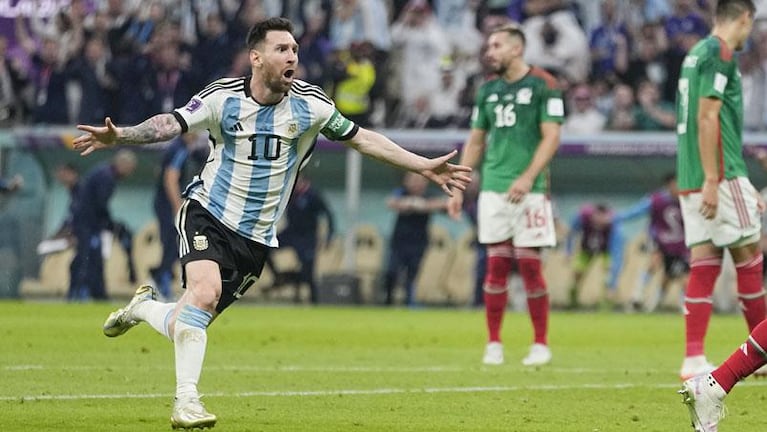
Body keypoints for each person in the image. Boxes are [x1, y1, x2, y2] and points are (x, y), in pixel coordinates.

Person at [72, 17, 471, 430]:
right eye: (282, 49)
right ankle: (186, 403)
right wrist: (121, 136)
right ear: (256, 57)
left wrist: (423, 165)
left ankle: (143, 308)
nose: (292, 56)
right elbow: (169, 124)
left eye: (295, 50)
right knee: (203, 296)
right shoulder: (222, 98)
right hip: (207, 212)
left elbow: (364, 139)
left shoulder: (312, 105)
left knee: (187, 320)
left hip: (257, 237)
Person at [446, 23, 564, 367]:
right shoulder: (487, 90)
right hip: (494, 189)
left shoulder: (545, 84)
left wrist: (528, 177)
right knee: (496, 265)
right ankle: (493, 343)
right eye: (489, 46)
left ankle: (540, 344)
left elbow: (552, 136)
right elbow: (476, 140)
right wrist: (459, 186)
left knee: (529, 264)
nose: (489, 52)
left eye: (496, 46)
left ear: (517, 49)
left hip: (531, 191)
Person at [673, 0, 766, 385]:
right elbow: (707, 116)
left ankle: (694, 356)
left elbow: (707, 119)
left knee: (705, 260)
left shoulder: (695, 54)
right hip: (719, 175)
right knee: (749, 257)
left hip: (692, 174)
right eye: (751, 24)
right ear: (744, 17)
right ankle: (760, 356)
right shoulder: (721, 53)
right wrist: (719, 179)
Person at [69, 150, 137, 301]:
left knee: (90, 258)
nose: (130, 173)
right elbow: (100, 205)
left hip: (87, 223)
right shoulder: (107, 177)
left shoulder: (103, 172)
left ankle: (92, 295)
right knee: (88, 259)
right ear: (123, 164)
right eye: (130, 168)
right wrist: (110, 224)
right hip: (87, 224)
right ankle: (83, 294)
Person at [622, 173, 689, 313]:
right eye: (676, 183)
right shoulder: (656, 200)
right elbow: (636, 211)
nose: (678, 187)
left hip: (679, 245)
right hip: (659, 240)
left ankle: (656, 304)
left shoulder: (688, 200)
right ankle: (637, 296)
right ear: (669, 185)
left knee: (673, 276)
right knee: (654, 262)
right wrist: (617, 218)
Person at [150, 132, 202, 300]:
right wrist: (177, 206)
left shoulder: (177, 148)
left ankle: (160, 281)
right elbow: (170, 179)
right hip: (168, 204)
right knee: (172, 244)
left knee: (172, 244)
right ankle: (160, 284)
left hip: (163, 202)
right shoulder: (179, 149)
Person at [383, 171, 446, 306]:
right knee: (391, 272)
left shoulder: (428, 195)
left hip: (418, 243)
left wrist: (423, 206)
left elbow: (444, 204)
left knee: (411, 275)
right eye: (414, 180)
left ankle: (408, 303)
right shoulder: (402, 193)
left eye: (420, 180)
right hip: (399, 242)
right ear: (406, 181)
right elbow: (391, 202)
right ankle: (387, 302)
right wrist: (408, 204)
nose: (417, 183)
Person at [278, 173, 335, 304]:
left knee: (308, 271)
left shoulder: (313, 196)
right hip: (291, 233)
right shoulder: (290, 194)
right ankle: (278, 276)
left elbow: (328, 214)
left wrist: (329, 235)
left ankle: (314, 301)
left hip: (308, 238)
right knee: (264, 248)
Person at [565, 203, 625, 309]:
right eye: (598, 218)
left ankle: (606, 302)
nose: (600, 222)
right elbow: (571, 233)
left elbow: (618, 244)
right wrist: (568, 251)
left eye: (604, 219)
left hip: (606, 250)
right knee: (577, 272)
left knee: (609, 273)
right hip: (586, 249)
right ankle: (572, 299)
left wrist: (616, 263)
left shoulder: (613, 224)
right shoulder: (583, 217)